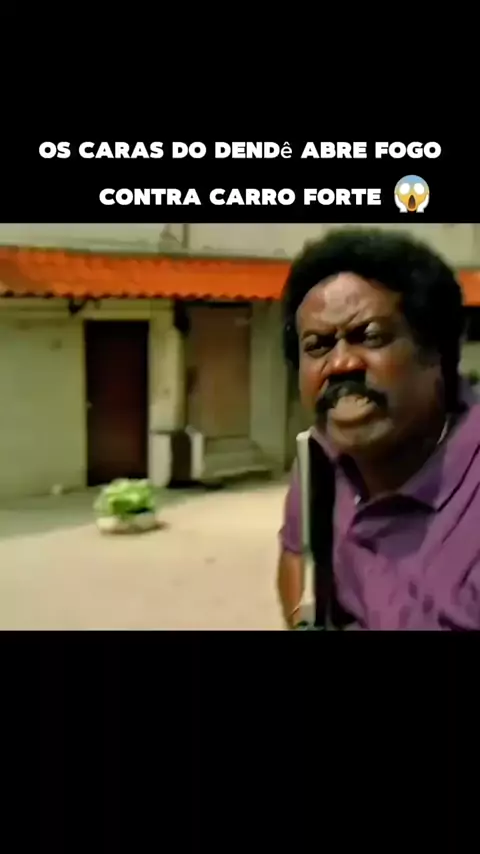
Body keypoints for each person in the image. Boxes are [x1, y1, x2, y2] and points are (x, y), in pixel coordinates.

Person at [276, 227, 480, 631]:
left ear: (436, 353)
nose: (341, 364)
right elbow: (299, 564)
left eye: (369, 336)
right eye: (318, 345)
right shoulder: (318, 462)